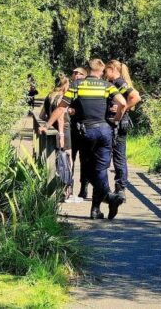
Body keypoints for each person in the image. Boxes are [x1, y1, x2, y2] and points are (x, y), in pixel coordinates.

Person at [43, 59, 127, 220]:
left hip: (86, 132)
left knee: (89, 170)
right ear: (102, 72)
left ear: (88, 70)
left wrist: (47, 125)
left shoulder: (77, 86)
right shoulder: (107, 86)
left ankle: (110, 198)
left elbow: (61, 107)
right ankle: (96, 209)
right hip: (104, 131)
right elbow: (123, 103)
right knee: (101, 170)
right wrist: (115, 120)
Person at [104, 60, 142, 202]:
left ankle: (120, 189)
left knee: (118, 157)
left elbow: (135, 96)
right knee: (118, 156)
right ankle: (120, 190)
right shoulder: (117, 82)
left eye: (106, 70)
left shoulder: (119, 82)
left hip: (118, 123)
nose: (104, 74)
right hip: (118, 123)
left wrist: (123, 108)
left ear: (113, 69)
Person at [40, 73, 72, 199]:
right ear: (65, 85)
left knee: (56, 158)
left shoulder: (49, 96)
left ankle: (57, 186)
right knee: (67, 157)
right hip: (63, 130)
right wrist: (62, 134)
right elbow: (60, 118)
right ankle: (66, 188)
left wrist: (49, 121)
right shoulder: (61, 98)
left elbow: (42, 116)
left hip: (52, 131)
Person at [69, 67, 90, 199]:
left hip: (83, 127)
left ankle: (84, 187)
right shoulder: (69, 88)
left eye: (79, 73)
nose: (76, 75)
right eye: (75, 73)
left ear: (85, 76)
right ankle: (68, 186)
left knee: (85, 160)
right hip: (71, 128)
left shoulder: (88, 89)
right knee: (70, 158)